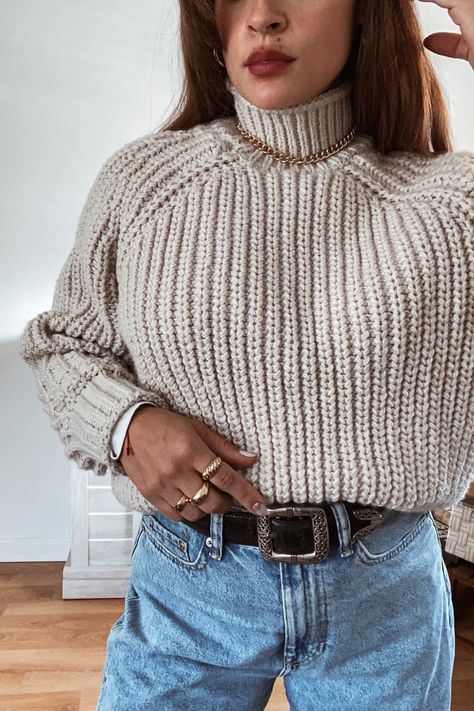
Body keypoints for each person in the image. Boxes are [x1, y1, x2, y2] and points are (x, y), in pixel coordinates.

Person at [19, 0, 473, 709]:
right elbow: (62, 346)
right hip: (190, 581)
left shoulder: (451, 205)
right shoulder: (143, 184)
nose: (262, 16)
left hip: (384, 593)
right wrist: (127, 423)